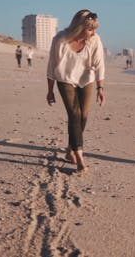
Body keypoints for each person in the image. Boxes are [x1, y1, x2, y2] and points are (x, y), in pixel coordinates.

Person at [46, 9, 106, 174]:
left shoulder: (95, 40)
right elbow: (51, 66)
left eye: (95, 29)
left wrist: (100, 88)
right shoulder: (60, 40)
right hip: (65, 79)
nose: (93, 32)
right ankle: (79, 156)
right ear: (79, 27)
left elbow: (99, 64)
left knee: (83, 115)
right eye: (90, 29)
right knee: (74, 114)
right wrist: (50, 90)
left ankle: (70, 149)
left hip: (86, 80)